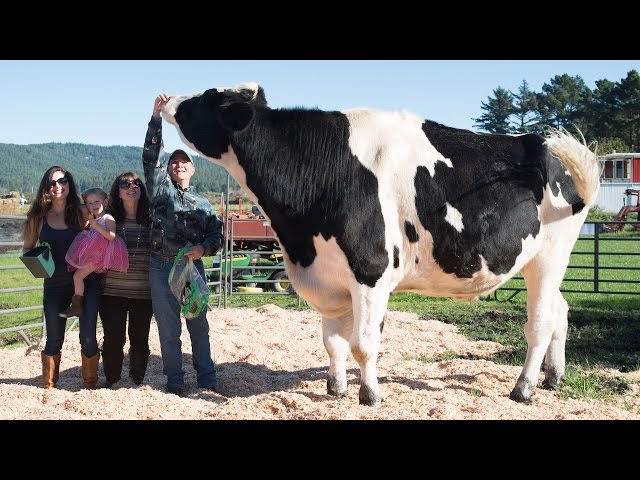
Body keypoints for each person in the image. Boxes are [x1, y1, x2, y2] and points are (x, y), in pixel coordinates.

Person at [143, 93, 224, 396]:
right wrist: (156, 117)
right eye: (174, 161)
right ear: (168, 169)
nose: (178, 164)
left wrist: (204, 249)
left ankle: (207, 380)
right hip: (161, 266)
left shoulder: (203, 204)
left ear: (192, 169)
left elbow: (217, 236)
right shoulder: (160, 191)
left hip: (190, 268)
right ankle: (175, 381)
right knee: (168, 330)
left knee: (198, 326)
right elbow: (151, 155)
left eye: (184, 161)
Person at [22, 166, 102, 390]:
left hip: (86, 284)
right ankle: (48, 389)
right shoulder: (38, 217)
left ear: (69, 183)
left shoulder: (82, 211)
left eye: (63, 181)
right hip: (54, 285)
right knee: (53, 340)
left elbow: (103, 228)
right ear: (46, 188)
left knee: (88, 338)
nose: (58, 186)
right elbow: (27, 247)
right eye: (53, 182)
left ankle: (90, 387)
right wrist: (39, 263)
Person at [99, 172, 153, 388]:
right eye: (125, 184)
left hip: (143, 290)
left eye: (136, 183)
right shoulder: (108, 219)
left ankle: (136, 380)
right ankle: (112, 380)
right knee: (114, 338)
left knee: (140, 338)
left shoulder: (152, 219)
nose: (132, 187)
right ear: (118, 192)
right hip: (111, 290)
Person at [61, 187, 129, 319]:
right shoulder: (94, 219)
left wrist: (95, 226)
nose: (94, 205)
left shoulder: (107, 218)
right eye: (90, 203)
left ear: (105, 201)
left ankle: (76, 306)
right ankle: (77, 305)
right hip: (93, 254)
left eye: (97, 201)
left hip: (98, 256)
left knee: (77, 276)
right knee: (77, 276)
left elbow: (111, 236)